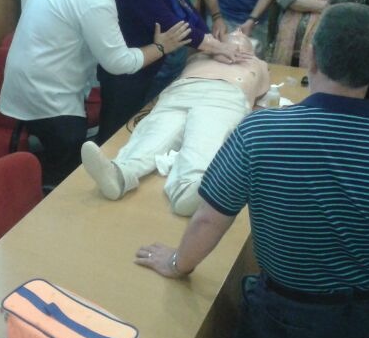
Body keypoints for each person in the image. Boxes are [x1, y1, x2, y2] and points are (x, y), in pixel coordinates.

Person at [135, 3, 369, 338]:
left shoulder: (260, 132)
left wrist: (178, 263)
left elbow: (208, 219)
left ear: (312, 57)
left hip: (289, 321)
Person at [0, 0, 191, 185]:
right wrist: (162, 47)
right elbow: (119, 63)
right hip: (50, 99)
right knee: (67, 179)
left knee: (61, 159)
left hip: (26, 84)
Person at [83, 31, 269, 217]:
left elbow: (259, 96)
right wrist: (213, 49)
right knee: (156, 133)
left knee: (205, 138)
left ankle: (188, 188)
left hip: (225, 96)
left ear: (251, 50)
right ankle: (120, 173)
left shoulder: (258, 64)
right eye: (232, 34)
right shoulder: (200, 56)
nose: (238, 33)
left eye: (242, 37)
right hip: (180, 91)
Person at [96, 0, 242, 144]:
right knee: (115, 135)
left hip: (149, 68)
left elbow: (188, 10)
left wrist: (212, 38)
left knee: (138, 131)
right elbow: (175, 27)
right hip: (126, 76)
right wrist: (218, 47)